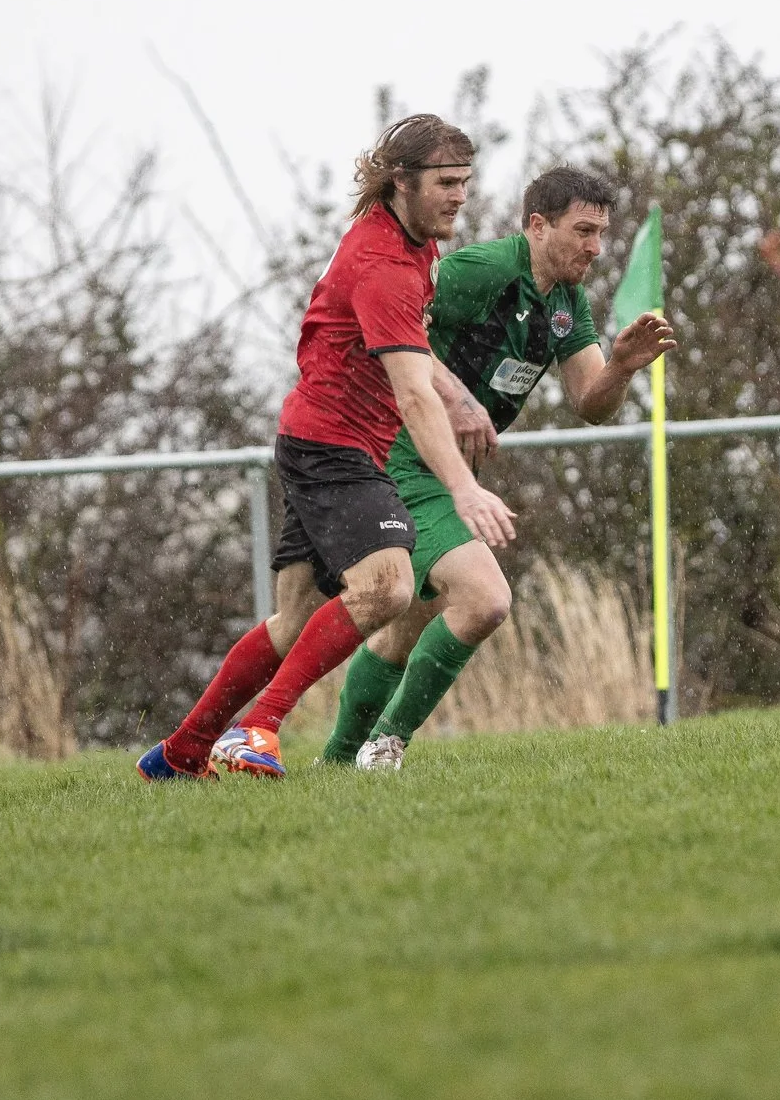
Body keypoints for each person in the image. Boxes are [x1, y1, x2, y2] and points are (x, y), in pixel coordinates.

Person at [137, 114, 515, 780]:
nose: (461, 196)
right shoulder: (384, 266)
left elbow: (417, 357)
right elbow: (411, 394)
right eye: (447, 183)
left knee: (295, 620)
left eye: (466, 182)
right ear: (402, 182)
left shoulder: (413, 245)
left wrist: (459, 394)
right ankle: (259, 726)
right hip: (334, 449)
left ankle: (180, 752)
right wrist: (462, 485)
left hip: (317, 440)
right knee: (389, 588)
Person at [326, 165, 676, 770]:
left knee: (405, 628)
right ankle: (384, 748)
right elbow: (391, 328)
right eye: (583, 231)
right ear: (538, 226)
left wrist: (620, 368)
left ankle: (333, 767)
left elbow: (589, 401)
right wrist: (456, 398)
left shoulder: (565, 302)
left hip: (442, 469)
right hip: (399, 455)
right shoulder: (482, 272)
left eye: (601, 234)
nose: (596, 248)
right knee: (485, 601)